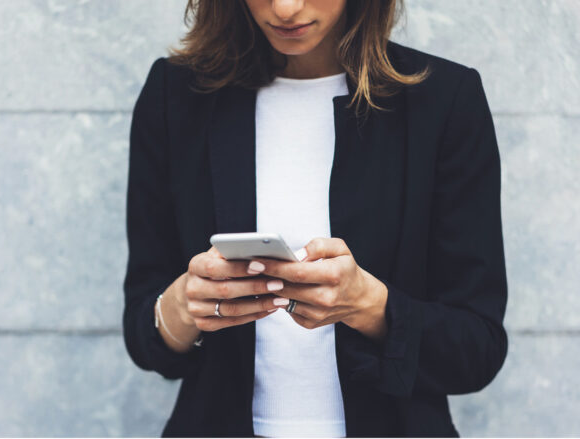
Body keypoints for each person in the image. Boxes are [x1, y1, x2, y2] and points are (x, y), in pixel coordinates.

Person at [122, 0, 508, 437]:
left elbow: (478, 350)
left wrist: (370, 305)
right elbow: (143, 337)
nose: (286, 8)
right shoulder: (176, 94)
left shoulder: (444, 99)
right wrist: (184, 304)